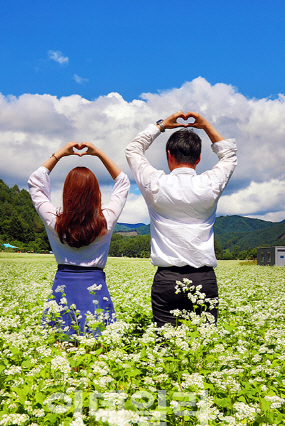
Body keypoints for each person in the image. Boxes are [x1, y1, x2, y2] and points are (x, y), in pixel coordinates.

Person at [125, 111, 237, 327]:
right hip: (204, 279)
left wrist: (161, 125)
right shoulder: (209, 184)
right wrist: (206, 125)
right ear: (199, 158)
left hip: (167, 279)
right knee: (204, 347)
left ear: (169, 155)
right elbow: (229, 155)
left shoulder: (155, 184)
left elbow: (133, 149)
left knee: (166, 346)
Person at [28, 141, 130, 337]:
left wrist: (59, 154)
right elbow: (123, 182)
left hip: (63, 285)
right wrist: (98, 153)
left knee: (61, 347)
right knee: (96, 349)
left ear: (67, 192)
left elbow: (35, 182)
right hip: (96, 286)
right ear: (96, 193)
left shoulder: (54, 219)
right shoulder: (105, 219)